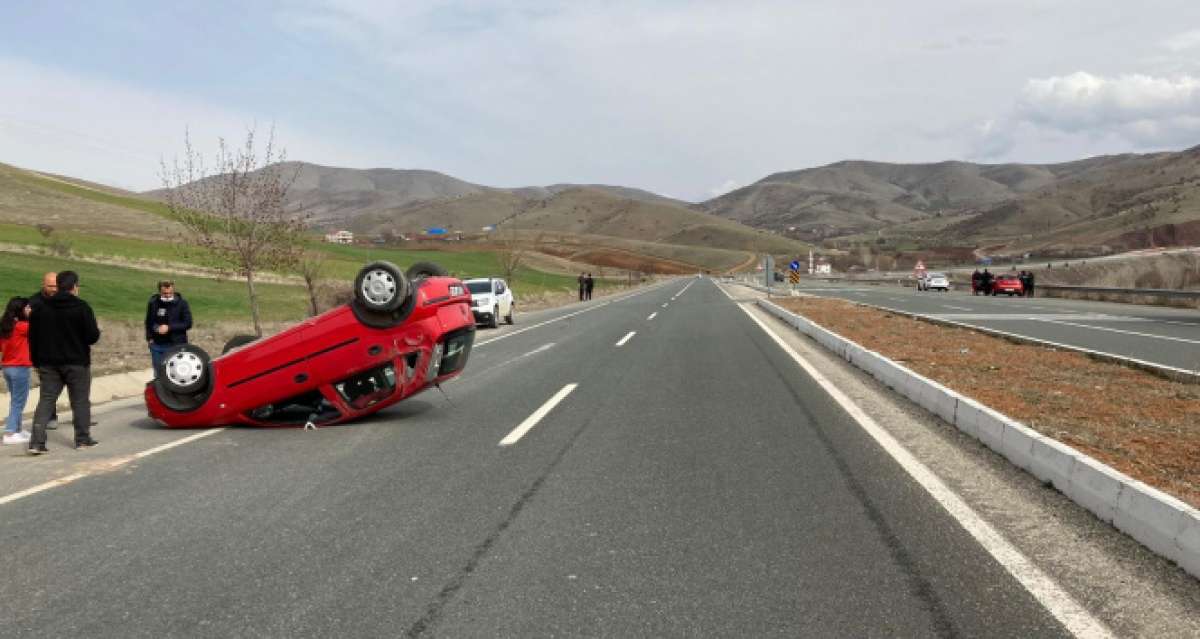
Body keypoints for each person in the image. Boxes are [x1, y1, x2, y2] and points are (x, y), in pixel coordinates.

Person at [28, 271, 101, 454]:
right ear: (75, 286)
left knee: (46, 400)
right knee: (80, 401)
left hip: (48, 362)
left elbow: (32, 337)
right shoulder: (82, 307)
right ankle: (82, 439)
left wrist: (36, 361)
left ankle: (37, 442)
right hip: (76, 362)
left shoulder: (41, 308)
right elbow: (92, 337)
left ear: (58, 285)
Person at [28, 272, 60, 428]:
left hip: (63, 351)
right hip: (43, 353)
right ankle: (50, 417)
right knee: (48, 386)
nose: (54, 289)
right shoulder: (34, 302)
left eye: (56, 286)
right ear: (43, 285)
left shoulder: (63, 300)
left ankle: (82, 417)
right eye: (50, 286)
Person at [1, 297, 33, 445]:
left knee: (16, 400)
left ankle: (18, 429)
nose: (29, 310)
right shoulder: (22, 326)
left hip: (7, 367)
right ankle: (10, 432)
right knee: (19, 401)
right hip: (20, 368)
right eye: (27, 308)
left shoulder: (6, 326)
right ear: (20, 310)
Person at [145, 280, 193, 374]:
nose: (167, 295)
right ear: (160, 291)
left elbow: (188, 323)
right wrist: (150, 337)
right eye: (164, 293)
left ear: (173, 290)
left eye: (170, 293)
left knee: (176, 373)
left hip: (177, 344)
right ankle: (159, 388)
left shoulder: (182, 303)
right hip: (157, 345)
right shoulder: (153, 303)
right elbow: (149, 321)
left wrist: (169, 327)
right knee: (159, 373)